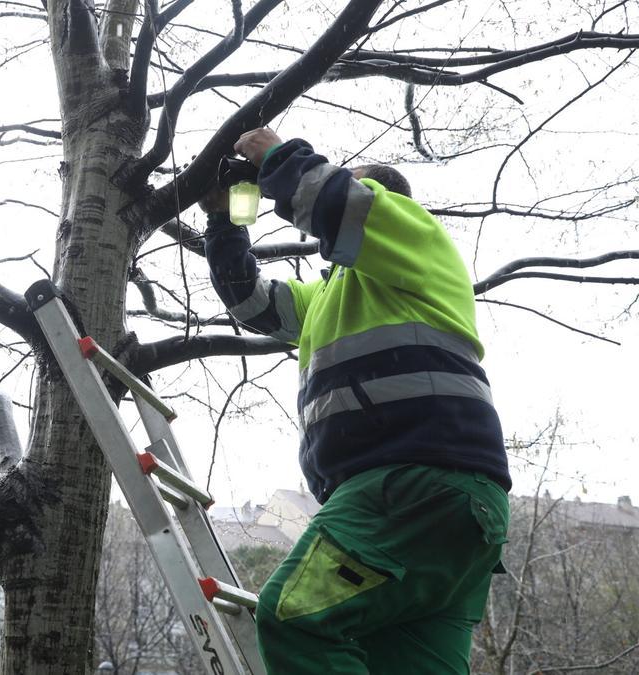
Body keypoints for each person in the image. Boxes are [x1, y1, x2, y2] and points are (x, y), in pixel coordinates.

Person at [201, 128, 512, 674]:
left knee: (293, 616)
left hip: (407, 487)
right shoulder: (328, 295)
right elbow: (250, 302)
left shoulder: (416, 236)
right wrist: (226, 220)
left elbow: (332, 199)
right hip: (454, 511)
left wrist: (273, 155)